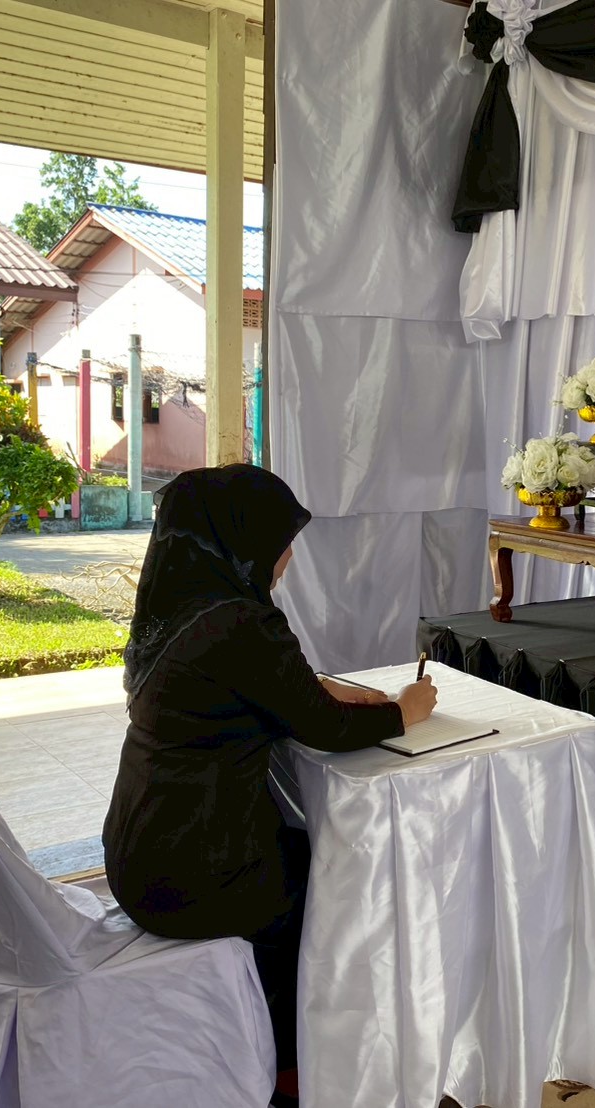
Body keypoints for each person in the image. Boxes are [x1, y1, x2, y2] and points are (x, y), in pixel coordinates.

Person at [102, 464, 437, 1106]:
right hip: (194, 877)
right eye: (282, 542)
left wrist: (316, 686)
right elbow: (328, 728)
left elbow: (255, 690)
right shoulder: (240, 622)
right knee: (343, 879)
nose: (288, 559)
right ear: (246, 540)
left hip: (139, 854)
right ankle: (293, 1065)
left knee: (309, 849)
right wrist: (405, 710)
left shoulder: (179, 607)